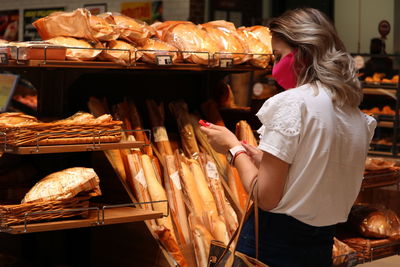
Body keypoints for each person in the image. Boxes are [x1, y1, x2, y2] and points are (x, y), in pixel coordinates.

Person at [200, 8, 376, 267]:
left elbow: (266, 196)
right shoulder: (355, 115)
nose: (274, 67)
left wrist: (233, 148)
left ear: (303, 54)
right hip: (321, 246)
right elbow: (316, 173)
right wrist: (263, 158)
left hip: (274, 244)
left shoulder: (292, 104)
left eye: (278, 56)